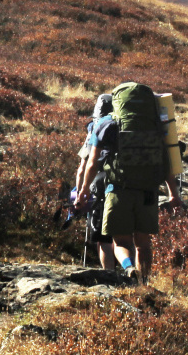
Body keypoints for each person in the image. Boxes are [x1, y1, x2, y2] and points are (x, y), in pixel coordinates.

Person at [72, 85, 177, 281]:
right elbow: (167, 161)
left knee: (120, 242)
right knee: (143, 244)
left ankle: (128, 268)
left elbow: (92, 163)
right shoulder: (155, 125)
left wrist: (84, 190)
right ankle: (143, 283)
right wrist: (174, 194)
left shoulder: (106, 123)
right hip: (148, 192)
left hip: (118, 190)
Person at [72, 94, 120, 269]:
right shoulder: (124, 125)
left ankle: (109, 277)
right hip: (125, 182)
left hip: (100, 185)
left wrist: (80, 194)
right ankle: (132, 275)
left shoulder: (95, 127)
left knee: (103, 238)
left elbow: (83, 167)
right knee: (123, 238)